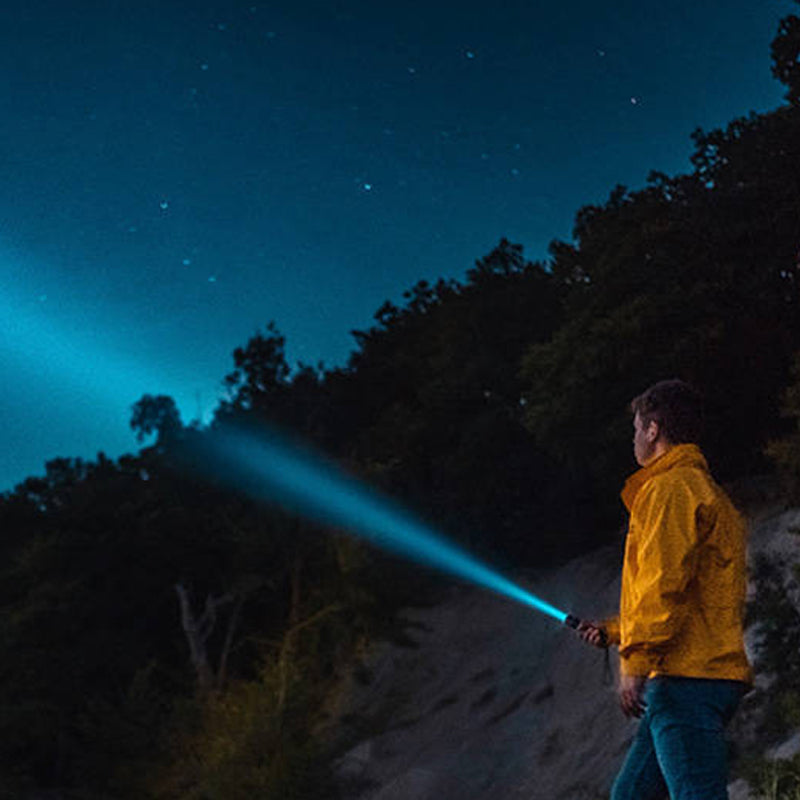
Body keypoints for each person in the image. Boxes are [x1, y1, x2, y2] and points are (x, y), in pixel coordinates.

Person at [578, 379, 752, 800]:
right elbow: (692, 596)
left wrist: (634, 661)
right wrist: (616, 631)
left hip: (686, 679)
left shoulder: (670, 488)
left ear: (653, 429)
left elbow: (662, 584)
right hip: (700, 673)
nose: (634, 438)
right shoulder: (706, 492)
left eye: (636, 428)